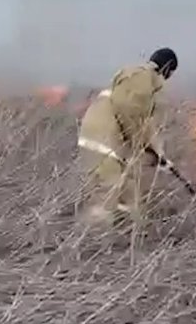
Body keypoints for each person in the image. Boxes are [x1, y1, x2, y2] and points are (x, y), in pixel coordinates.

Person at [75, 47, 179, 222]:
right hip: (103, 140)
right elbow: (133, 117)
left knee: (128, 191)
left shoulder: (134, 77)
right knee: (108, 194)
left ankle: (128, 232)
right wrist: (149, 149)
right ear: (167, 69)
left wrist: (156, 153)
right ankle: (94, 241)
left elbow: (138, 122)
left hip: (100, 137)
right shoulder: (143, 78)